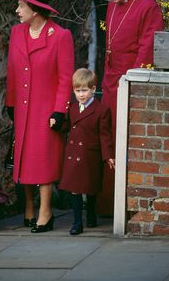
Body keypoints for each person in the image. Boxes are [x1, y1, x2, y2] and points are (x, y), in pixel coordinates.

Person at [5, 0, 75, 233]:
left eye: (21, 5)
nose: (17, 10)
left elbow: (65, 78)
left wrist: (60, 110)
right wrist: (10, 103)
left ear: (35, 10)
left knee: (43, 159)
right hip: (23, 108)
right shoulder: (17, 33)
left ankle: (46, 212)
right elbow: (13, 72)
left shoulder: (60, 36)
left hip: (46, 110)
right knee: (24, 159)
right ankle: (29, 209)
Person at [99, 0, 164, 214]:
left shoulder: (148, 7)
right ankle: (107, 206)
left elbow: (146, 50)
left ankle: (128, 208)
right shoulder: (112, 4)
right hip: (109, 83)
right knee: (108, 141)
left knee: (126, 142)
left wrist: (130, 83)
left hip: (130, 84)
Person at [52, 68, 115, 235]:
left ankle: (91, 216)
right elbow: (69, 126)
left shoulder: (102, 110)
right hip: (73, 153)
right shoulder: (72, 107)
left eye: (84, 90)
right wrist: (56, 124)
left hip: (90, 155)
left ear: (93, 89)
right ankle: (77, 223)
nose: (81, 94)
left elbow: (105, 136)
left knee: (90, 188)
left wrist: (108, 156)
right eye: (77, 90)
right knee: (75, 189)